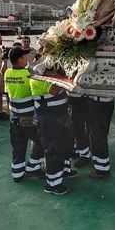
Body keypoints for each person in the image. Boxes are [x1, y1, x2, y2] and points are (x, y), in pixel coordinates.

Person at [29, 64, 77, 195]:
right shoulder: (37, 80)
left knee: (65, 145)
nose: (54, 73)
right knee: (53, 149)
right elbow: (54, 90)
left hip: (59, 118)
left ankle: (64, 171)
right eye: (51, 71)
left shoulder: (48, 78)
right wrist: (68, 79)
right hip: (48, 120)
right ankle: (53, 184)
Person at [4, 47, 45, 182]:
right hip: (27, 117)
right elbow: (38, 91)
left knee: (18, 145)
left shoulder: (7, 73)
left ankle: (17, 174)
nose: (27, 59)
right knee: (41, 140)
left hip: (14, 117)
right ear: (21, 59)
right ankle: (33, 166)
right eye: (25, 57)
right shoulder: (28, 74)